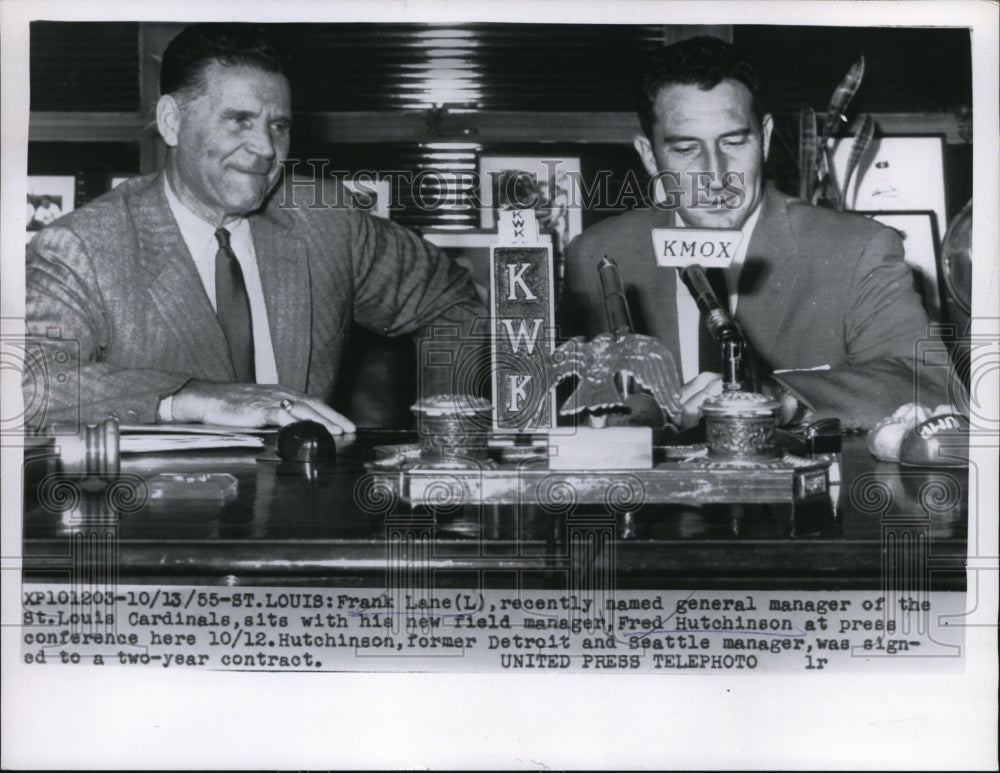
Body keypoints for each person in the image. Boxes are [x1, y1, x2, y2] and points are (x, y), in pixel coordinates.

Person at [25, 24, 486, 434]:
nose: (266, 147)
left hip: (304, 496)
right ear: (172, 121)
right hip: (160, 502)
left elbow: (449, 299)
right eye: (239, 120)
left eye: (279, 126)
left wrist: (448, 436)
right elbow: (26, 384)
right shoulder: (82, 246)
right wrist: (192, 397)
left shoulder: (326, 220)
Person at [561, 36, 956, 431]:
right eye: (685, 150)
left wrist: (780, 400)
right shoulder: (596, 255)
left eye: (734, 142)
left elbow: (929, 386)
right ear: (649, 156)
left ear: (764, 138)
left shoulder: (858, 249)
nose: (716, 176)